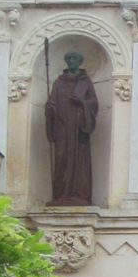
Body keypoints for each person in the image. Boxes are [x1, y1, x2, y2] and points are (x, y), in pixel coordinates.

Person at [45, 49, 98, 205]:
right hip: (62, 127)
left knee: (79, 162)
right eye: (68, 58)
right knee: (61, 157)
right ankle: (60, 194)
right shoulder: (58, 82)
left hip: (79, 130)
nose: (71, 60)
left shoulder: (85, 82)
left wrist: (82, 103)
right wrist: (49, 109)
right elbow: (52, 102)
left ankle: (78, 194)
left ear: (80, 61)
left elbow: (94, 104)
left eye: (74, 58)